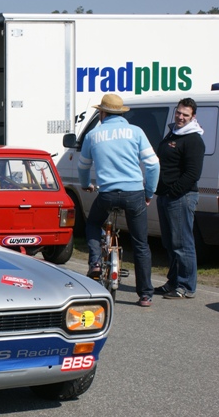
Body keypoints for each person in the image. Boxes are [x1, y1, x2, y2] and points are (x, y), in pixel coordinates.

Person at [78, 94, 160, 307]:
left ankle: (95, 263)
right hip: (134, 194)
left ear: (102, 113)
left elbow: (83, 166)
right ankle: (145, 294)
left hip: (107, 194)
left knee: (93, 223)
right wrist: (149, 193)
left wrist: (86, 184)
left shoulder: (93, 135)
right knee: (141, 244)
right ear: (121, 113)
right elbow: (153, 165)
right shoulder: (136, 132)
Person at [154, 98, 205, 299]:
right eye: (178, 112)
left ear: (193, 117)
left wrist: (173, 192)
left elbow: (193, 174)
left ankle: (186, 286)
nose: (180, 117)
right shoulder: (173, 132)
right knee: (170, 243)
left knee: (183, 244)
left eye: (185, 114)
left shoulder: (193, 139)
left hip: (181, 197)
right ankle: (173, 282)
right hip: (165, 196)